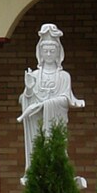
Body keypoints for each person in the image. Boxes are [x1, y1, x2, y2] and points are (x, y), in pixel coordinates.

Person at [18, 22, 84, 169]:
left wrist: (46, 104)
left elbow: (65, 99)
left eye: (52, 51)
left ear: (58, 53)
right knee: (38, 152)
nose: (48, 54)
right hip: (37, 124)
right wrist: (29, 89)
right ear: (40, 52)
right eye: (45, 51)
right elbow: (25, 100)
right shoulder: (34, 75)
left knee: (55, 149)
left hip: (55, 122)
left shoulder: (64, 76)